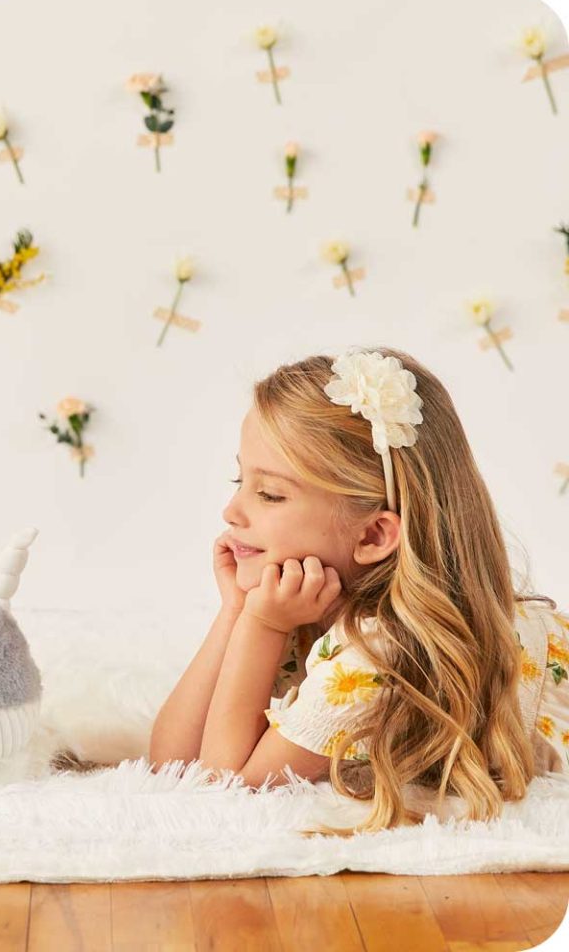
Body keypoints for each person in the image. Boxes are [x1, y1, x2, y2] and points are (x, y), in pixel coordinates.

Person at [148, 346, 569, 836]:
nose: (231, 510)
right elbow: (169, 765)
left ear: (372, 536)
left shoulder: (381, 653)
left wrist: (260, 627)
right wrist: (236, 612)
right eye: (239, 479)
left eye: (269, 494)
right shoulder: (303, 607)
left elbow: (222, 791)